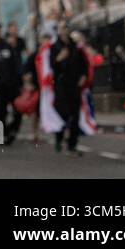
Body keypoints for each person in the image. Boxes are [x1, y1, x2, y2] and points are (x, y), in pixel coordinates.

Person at [49, 22, 88, 156]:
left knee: (75, 115)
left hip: (74, 84)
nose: (65, 31)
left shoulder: (75, 46)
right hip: (61, 85)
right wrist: (59, 58)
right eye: (62, 28)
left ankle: (72, 145)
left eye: (66, 28)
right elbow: (52, 65)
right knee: (64, 113)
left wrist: (84, 76)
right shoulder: (55, 47)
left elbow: (84, 64)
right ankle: (59, 137)